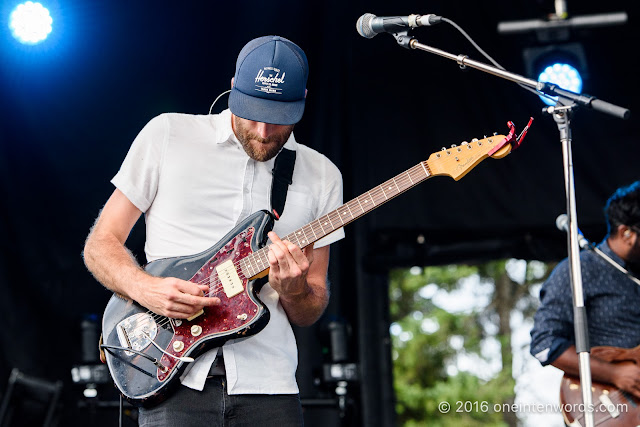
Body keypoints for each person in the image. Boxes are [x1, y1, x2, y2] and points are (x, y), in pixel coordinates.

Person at [83, 35, 344, 426]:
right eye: (252, 112)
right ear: (234, 87)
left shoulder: (322, 174)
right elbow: (100, 245)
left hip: (269, 385)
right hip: (171, 375)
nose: (262, 130)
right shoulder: (168, 135)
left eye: (278, 118)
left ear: (302, 102)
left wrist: (294, 289)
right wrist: (145, 288)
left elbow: (310, 307)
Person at [530, 181, 640, 399]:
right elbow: (544, 343)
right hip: (612, 406)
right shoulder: (581, 269)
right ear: (626, 233)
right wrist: (614, 373)